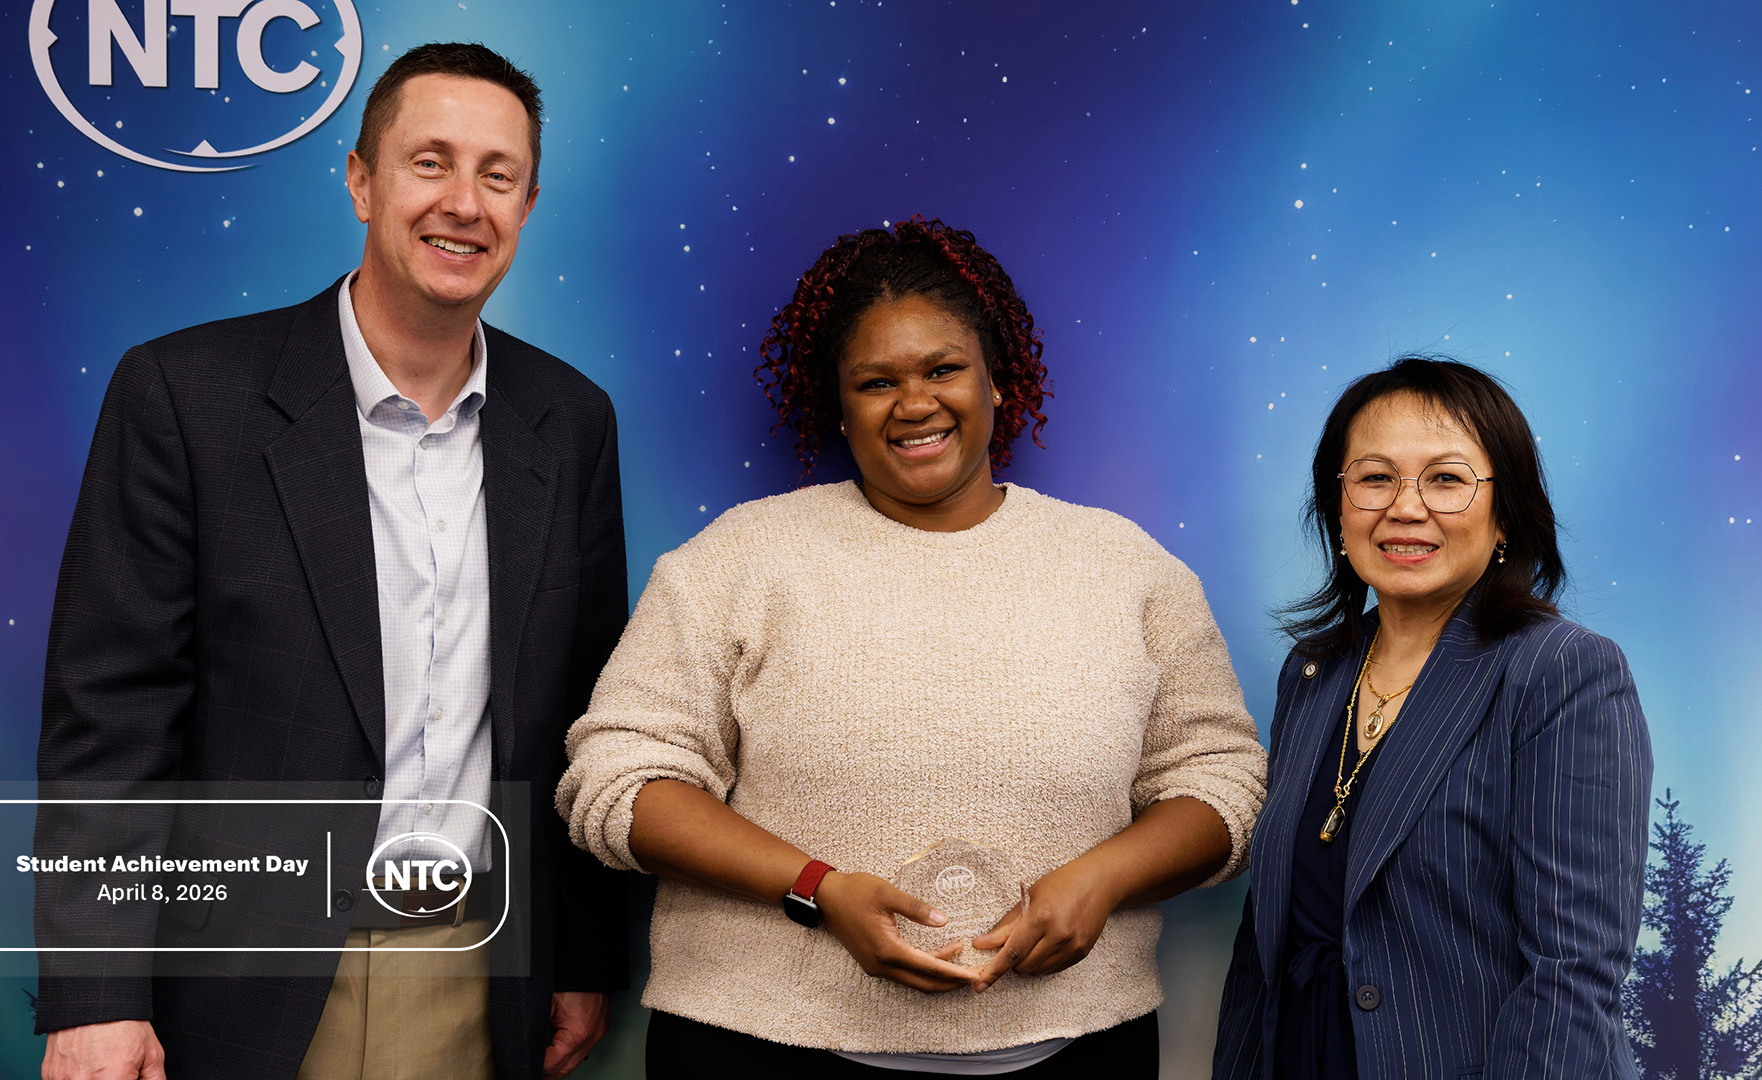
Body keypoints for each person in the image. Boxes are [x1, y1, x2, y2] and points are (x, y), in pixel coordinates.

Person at [34, 43, 627, 1080]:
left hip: (477, 979)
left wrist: (580, 952)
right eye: (429, 161)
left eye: (498, 174)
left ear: (529, 205)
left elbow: (582, 713)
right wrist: (95, 996)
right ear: (362, 179)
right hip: (234, 981)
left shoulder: (570, 421)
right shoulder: (186, 395)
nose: (465, 203)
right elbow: (110, 722)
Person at [556, 217, 1269, 1078]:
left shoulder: (1128, 569)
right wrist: (816, 890)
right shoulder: (736, 562)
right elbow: (614, 780)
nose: (916, 402)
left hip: (1077, 1050)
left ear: (997, 381)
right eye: (876, 381)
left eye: (944, 369)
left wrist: (1108, 876)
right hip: (760, 1048)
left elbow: (1220, 781)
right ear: (839, 404)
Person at [1211, 358, 1653, 1079]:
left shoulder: (1561, 672)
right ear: (1339, 505)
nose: (1405, 507)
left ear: (1505, 512)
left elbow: (1574, 973)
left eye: (1446, 479)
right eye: (1375, 477)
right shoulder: (1315, 673)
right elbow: (1265, 942)